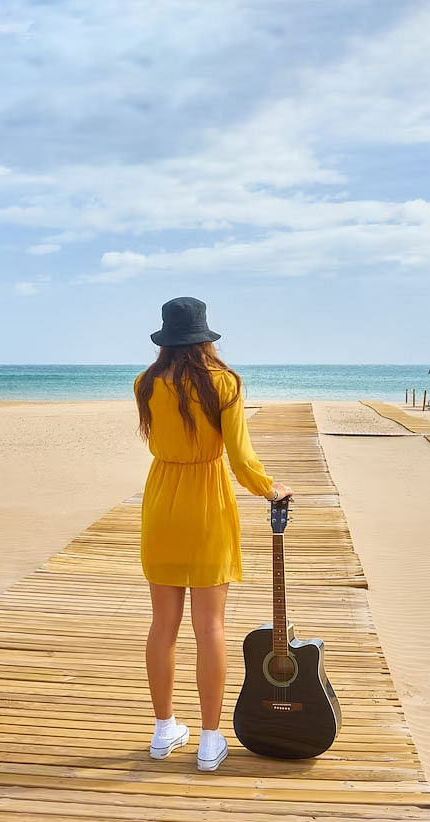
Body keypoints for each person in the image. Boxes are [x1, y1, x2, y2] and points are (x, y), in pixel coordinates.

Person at [133, 297, 292, 772]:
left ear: (165, 339)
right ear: (205, 338)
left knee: (163, 626)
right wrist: (271, 488)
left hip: (161, 502)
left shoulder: (145, 383)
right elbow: (241, 460)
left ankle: (164, 731)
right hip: (207, 503)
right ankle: (208, 739)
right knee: (211, 628)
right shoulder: (224, 383)